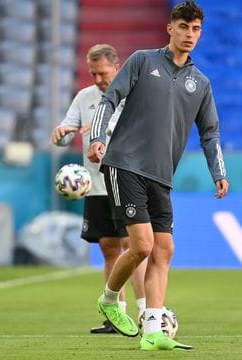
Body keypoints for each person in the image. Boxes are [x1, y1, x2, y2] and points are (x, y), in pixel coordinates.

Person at [88, 0, 229, 351]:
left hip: (161, 175)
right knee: (143, 246)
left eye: (196, 29)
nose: (189, 35)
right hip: (125, 165)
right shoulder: (142, 60)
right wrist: (96, 137)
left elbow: (209, 132)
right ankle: (109, 300)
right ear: (170, 27)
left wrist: (219, 173)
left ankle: (152, 330)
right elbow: (109, 100)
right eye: (183, 27)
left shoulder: (201, 82)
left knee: (164, 249)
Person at [50, 44, 147, 334]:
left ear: (116, 68)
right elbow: (70, 130)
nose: (98, 79)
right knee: (109, 250)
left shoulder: (133, 93)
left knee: (136, 248)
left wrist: (101, 127)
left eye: (102, 73)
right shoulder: (84, 97)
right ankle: (116, 316)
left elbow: (141, 131)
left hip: (127, 180)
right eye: (93, 73)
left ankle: (146, 312)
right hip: (95, 184)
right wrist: (62, 135)